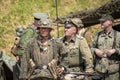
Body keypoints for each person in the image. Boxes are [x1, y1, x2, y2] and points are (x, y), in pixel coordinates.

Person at [92, 14, 120, 80]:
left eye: (103, 21)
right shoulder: (98, 35)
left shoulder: (118, 35)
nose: (101, 23)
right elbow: (90, 48)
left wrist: (115, 50)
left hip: (113, 73)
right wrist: (95, 50)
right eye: (101, 21)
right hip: (99, 70)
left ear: (110, 22)